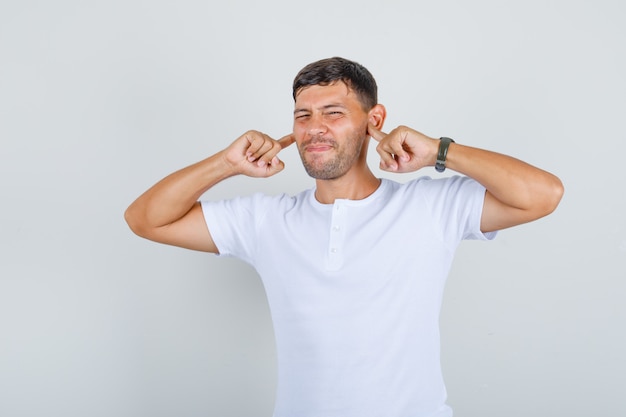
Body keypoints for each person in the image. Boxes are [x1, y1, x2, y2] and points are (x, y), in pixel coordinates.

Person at [125, 57, 564, 417]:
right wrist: (226, 163)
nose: (315, 128)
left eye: (333, 113)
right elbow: (146, 219)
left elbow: (543, 195)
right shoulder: (265, 220)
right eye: (303, 116)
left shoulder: (431, 207)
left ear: (375, 120)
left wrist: (438, 151)